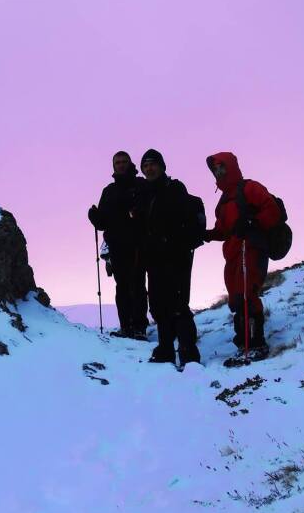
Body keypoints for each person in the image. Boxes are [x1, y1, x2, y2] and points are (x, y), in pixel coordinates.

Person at [204, 152, 281, 358]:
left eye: (222, 167)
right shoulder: (223, 201)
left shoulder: (250, 188)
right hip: (232, 253)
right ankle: (244, 343)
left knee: (248, 293)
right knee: (237, 298)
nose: (219, 172)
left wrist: (253, 223)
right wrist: (208, 235)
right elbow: (224, 230)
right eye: (216, 170)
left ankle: (256, 343)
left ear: (231, 167)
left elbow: (272, 210)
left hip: (252, 248)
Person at [133, 149, 201, 366]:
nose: (149, 169)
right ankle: (165, 350)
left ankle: (189, 354)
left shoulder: (175, 188)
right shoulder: (144, 194)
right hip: (154, 259)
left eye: (153, 164)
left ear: (162, 166)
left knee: (178, 305)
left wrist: (171, 241)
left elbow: (179, 220)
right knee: (159, 306)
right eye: (145, 166)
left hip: (176, 256)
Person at [88, 151, 148, 340]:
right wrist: (95, 218)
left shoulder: (141, 185)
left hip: (138, 243)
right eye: (117, 162)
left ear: (130, 163)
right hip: (116, 245)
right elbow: (102, 223)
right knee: (122, 286)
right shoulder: (109, 191)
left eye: (124, 162)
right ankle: (126, 326)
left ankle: (139, 327)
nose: (121, 165)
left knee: (137, 284)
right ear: (113, 166)